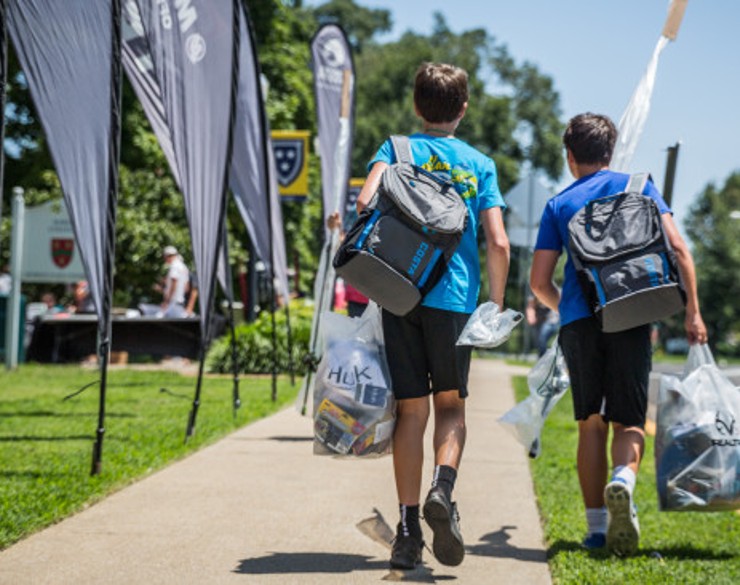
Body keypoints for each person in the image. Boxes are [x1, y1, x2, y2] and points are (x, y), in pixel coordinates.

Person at [529, 113, 707, 556]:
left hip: (580, 321)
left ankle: (594, 529)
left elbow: (538, 282)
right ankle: (623, 479)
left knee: (591, 425)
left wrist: (569, 310)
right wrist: (693, 314)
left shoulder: (558, 204)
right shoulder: (639, 186)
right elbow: (679, 249)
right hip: (631, 314)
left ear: (570, 157)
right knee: (629, 419)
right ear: (611, 151)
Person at [356, 62, 510, 570]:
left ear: (417, 106)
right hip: (455, 301)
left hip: (401, 293)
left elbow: (364, 200)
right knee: (451, 407)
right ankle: (442, 490)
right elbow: (499, 242)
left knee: (411, 411)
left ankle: (404, 533)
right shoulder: (479, 163)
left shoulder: (396, 150)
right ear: (462, 109)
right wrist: (496, 301)